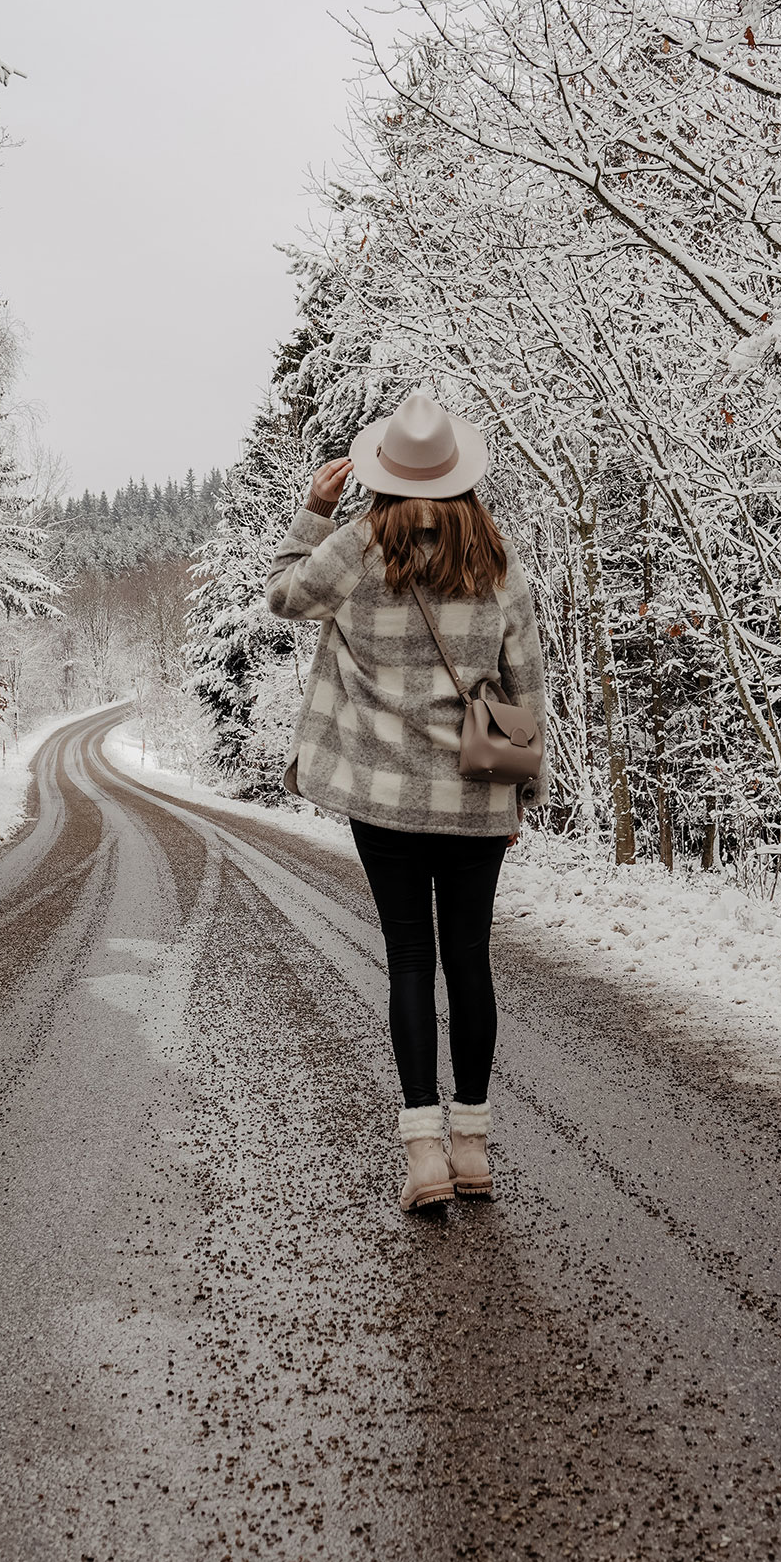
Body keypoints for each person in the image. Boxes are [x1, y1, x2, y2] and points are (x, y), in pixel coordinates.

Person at [266, 390, 547, 1211]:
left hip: (381, 797)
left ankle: (422, 1156)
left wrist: (315, 509)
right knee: (469, 960)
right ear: (460, 476)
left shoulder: (355, 548)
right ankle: (473, 1148)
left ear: (382, 475)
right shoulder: (494, 559)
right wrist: (525, 792)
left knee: (409, 960)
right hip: (475, 798)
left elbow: (283, 597)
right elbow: (527, 682)